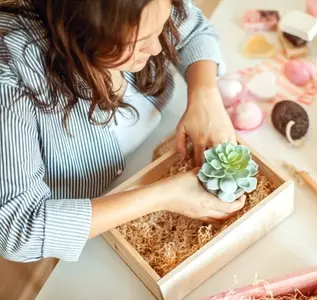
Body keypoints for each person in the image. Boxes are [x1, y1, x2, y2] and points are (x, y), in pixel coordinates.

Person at [0, 0, 246, 263]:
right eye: (138, 42)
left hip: (158, 142)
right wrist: (164, 196)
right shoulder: (12, 81)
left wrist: (204, 92)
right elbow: (19, 230)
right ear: (82, 31)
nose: (157, 48)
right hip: (95, 219)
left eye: (160, 28)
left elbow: (194, 29)